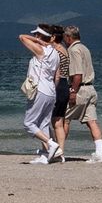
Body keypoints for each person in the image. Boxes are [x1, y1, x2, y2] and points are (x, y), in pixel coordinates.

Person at [18, 26, 63, 165]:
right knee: (43, 124)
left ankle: (51, 144)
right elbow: (57, 76)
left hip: (41, 91)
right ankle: (45, 155)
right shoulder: (56, 52)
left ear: (40, 36)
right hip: (51, 92)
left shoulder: (41, 50)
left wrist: (40, 42)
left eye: (37, 35)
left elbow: (21, 37)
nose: (35, 38)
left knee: (29, 123)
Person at [63, 25, 102, 163]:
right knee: (91, 121)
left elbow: (77, 74)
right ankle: (100, 152)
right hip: (91, 89)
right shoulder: (85, 48)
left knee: (63, 119)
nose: (63, 40)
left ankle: (59, 151)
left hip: (80, 89)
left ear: (69, 37)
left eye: (64, 37)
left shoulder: (73, 50)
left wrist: (72, 91)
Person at [47, 24, 70, 162]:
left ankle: (52, 148)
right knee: (59, 121)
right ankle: (60, 151)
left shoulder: (55, 51)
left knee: (49, 120)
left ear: (53, 37)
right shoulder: (65, 50)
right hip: (64, 85)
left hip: (57, 84)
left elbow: (55, 72)